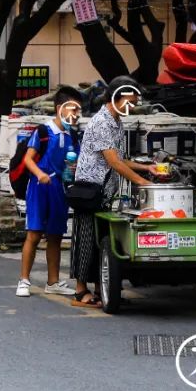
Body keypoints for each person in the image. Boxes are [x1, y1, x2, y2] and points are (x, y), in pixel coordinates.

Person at [70, 76, 156, 308]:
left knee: (102, 243)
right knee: (86, 242)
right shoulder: (101, 123)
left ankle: (102, 290)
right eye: (130, 101)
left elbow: (121, 160)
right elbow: (114, 163)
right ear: (115, 98)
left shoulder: (117, 122)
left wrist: (147, 168)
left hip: (105, 193)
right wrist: (143, 182)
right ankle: (80, 292)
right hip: (90, 192)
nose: (133, 107)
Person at [16, 86, 83, 298]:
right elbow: (28, 159)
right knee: (34, 234)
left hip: (59, 188)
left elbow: (75, 161)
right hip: (39, 187)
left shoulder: (73, 135)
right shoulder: (43, 132)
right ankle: (24, 280)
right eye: (72, 109)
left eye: (78, 110)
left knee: (55, 235)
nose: (75, 114)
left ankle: (53, 281)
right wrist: (40, 174)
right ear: (59, 108)